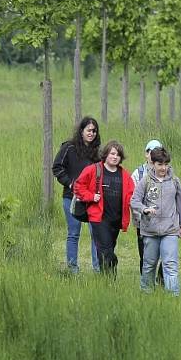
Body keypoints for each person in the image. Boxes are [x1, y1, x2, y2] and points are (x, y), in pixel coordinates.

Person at [130, 147, 181, 296]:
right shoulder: (146, 180)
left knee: (170, 264)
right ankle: (146, 293)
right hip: (150, 230)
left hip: (170, 230)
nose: (163, 168)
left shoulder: (175, 181)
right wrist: (144, 209)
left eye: (166, 164)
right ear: (153, 164)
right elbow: (134, 201)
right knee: (149, 264)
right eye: (160, 164)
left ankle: (173, 296)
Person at [74, 140, 135, 276]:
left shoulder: (125, 175)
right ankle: (111, 277)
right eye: (112, 153)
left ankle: (105, 279)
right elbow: (78, 186)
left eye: (118, 155)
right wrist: (90, 196)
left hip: (116, 219)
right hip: (99, 218)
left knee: (106, 250)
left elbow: (132, 195)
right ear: (106, 154)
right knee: (107, 250)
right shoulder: (94, 169)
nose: (115, 157)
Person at [52, 117, 101, 274]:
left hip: (92, 199)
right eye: (89, 130)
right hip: (71, 197)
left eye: (94, 131)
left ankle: (97, 268)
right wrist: (70, 182)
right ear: (81, 131)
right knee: (74, 232)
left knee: (96, 233)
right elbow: (57, 167)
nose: (91, 133)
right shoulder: (69, 147)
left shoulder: (97, 153)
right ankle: (72, 268)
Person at [131, 139, 164, 284]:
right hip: (143, 222)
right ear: (146, 154)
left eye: (158, 151)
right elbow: (133, 199)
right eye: (151, 151)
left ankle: (162, 280)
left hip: (163, 222)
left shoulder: (167, 173)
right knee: (145, 254)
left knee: (165, 252)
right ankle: (146, 282)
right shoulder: (138, 173)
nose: (154, 155)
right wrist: (140, 217)